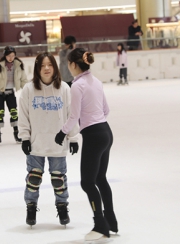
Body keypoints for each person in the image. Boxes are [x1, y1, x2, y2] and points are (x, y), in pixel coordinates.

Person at [54, 48, 118, 241]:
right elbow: (106, 110)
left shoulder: (78, 85)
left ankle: (100, 226)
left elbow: (74, 116)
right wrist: (96, 123)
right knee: (100, 179)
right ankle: (111, 221)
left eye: (68, 64)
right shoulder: (96, 81)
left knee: (87, 182)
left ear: (73, 64)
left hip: (93, 135)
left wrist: (62, 133)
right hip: (106, 132)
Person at [18, 52, 79, 227]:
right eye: (42, 65)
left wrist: (73, 137)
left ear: (55, 67)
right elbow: (23, 115)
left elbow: (71, 114)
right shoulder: (29, 89)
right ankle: (31, 207)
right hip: (36, 142)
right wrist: (24, 137)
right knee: (33, 178)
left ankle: (62, 207)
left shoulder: (64, 89)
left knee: (59, 178)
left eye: (50, 65)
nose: (46, 68)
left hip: (57, 143)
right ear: (37, 68)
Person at [0, 45, 28, 144]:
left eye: (13, 55)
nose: (11, 58)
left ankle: (16, 133)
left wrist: (28, 90)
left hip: (10, 92)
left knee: (14, 112)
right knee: (0, 112)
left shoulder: (18, 65)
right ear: (5, 55)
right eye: (9, 55)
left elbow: (23, 79)